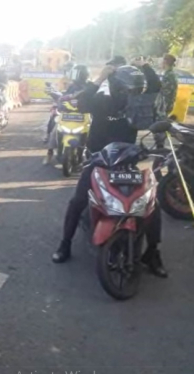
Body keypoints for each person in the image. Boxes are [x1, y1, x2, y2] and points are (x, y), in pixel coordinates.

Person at [52, 60, 167, 278]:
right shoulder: (100, 101)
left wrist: (144, 67)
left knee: (153, 205)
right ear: (115, 87)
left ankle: (152, 252)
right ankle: (65, 244)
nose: (129, 93)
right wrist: (101, 77)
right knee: (78, 201)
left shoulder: (137, 105)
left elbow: (155, 88)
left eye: (133, 90)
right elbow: (82, 102)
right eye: (126, 89)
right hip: (99, 161)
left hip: (128, 164)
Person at [44, 64, 90, 164]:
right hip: (69, 115)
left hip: (85, 116)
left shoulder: (90, 86)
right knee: (55, 130)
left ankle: (91, 155)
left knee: (94, 134)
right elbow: (63, 97)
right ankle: (50, 152)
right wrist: (57, 98)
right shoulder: (72, 86)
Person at [154, 53, 179, 148]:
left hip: (163, 105)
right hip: (167, 104)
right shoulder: (171, 74)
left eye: (163, 60)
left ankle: (160, 147)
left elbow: (165, 91)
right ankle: (160, 145)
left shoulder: (169, 75)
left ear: (166, 62)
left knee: (160, 126)